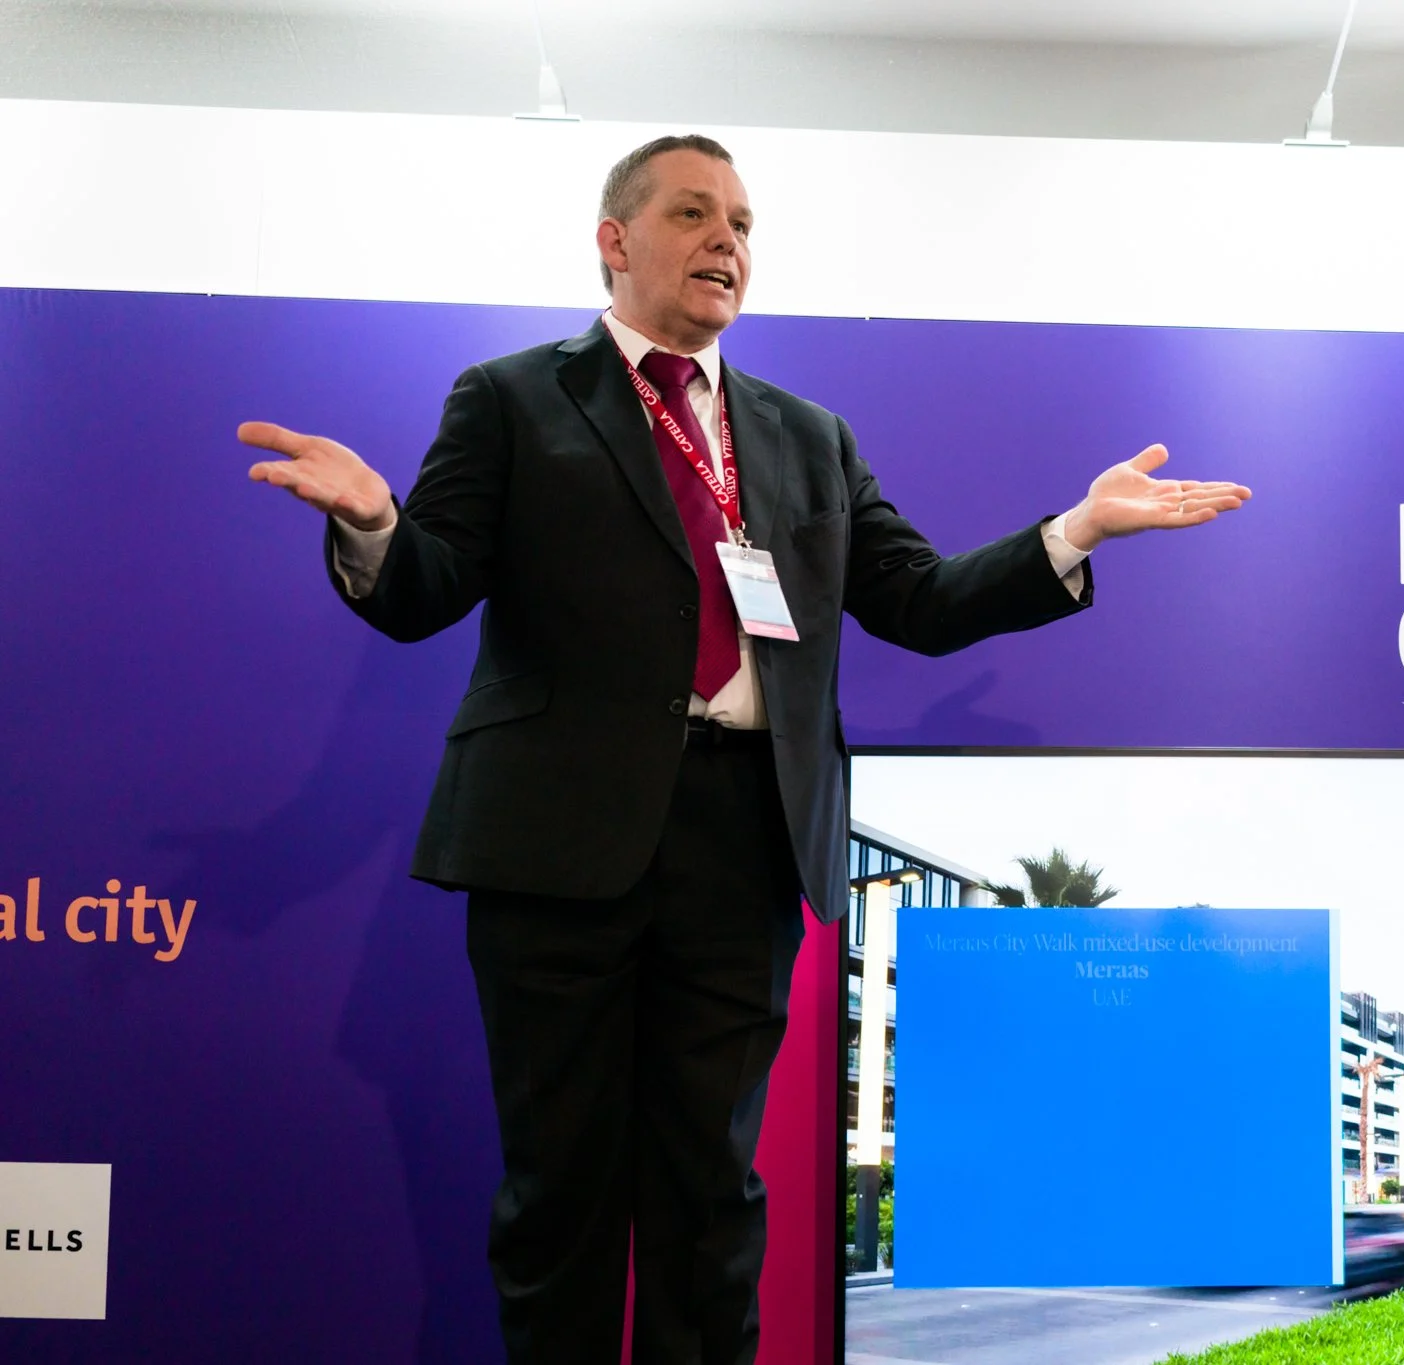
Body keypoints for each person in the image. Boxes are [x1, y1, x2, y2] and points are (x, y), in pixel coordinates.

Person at [238, 133, 1249, 1365]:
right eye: (694, 213)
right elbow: (423, 591)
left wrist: (1078, 528)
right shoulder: (508, 397)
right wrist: (375, 521)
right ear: (615, 242)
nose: (729, 241)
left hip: (744, 842)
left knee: (713, 1203)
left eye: (744, 223)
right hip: (558, 846)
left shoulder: (805, 434)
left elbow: (918, 602)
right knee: (559, 1195)